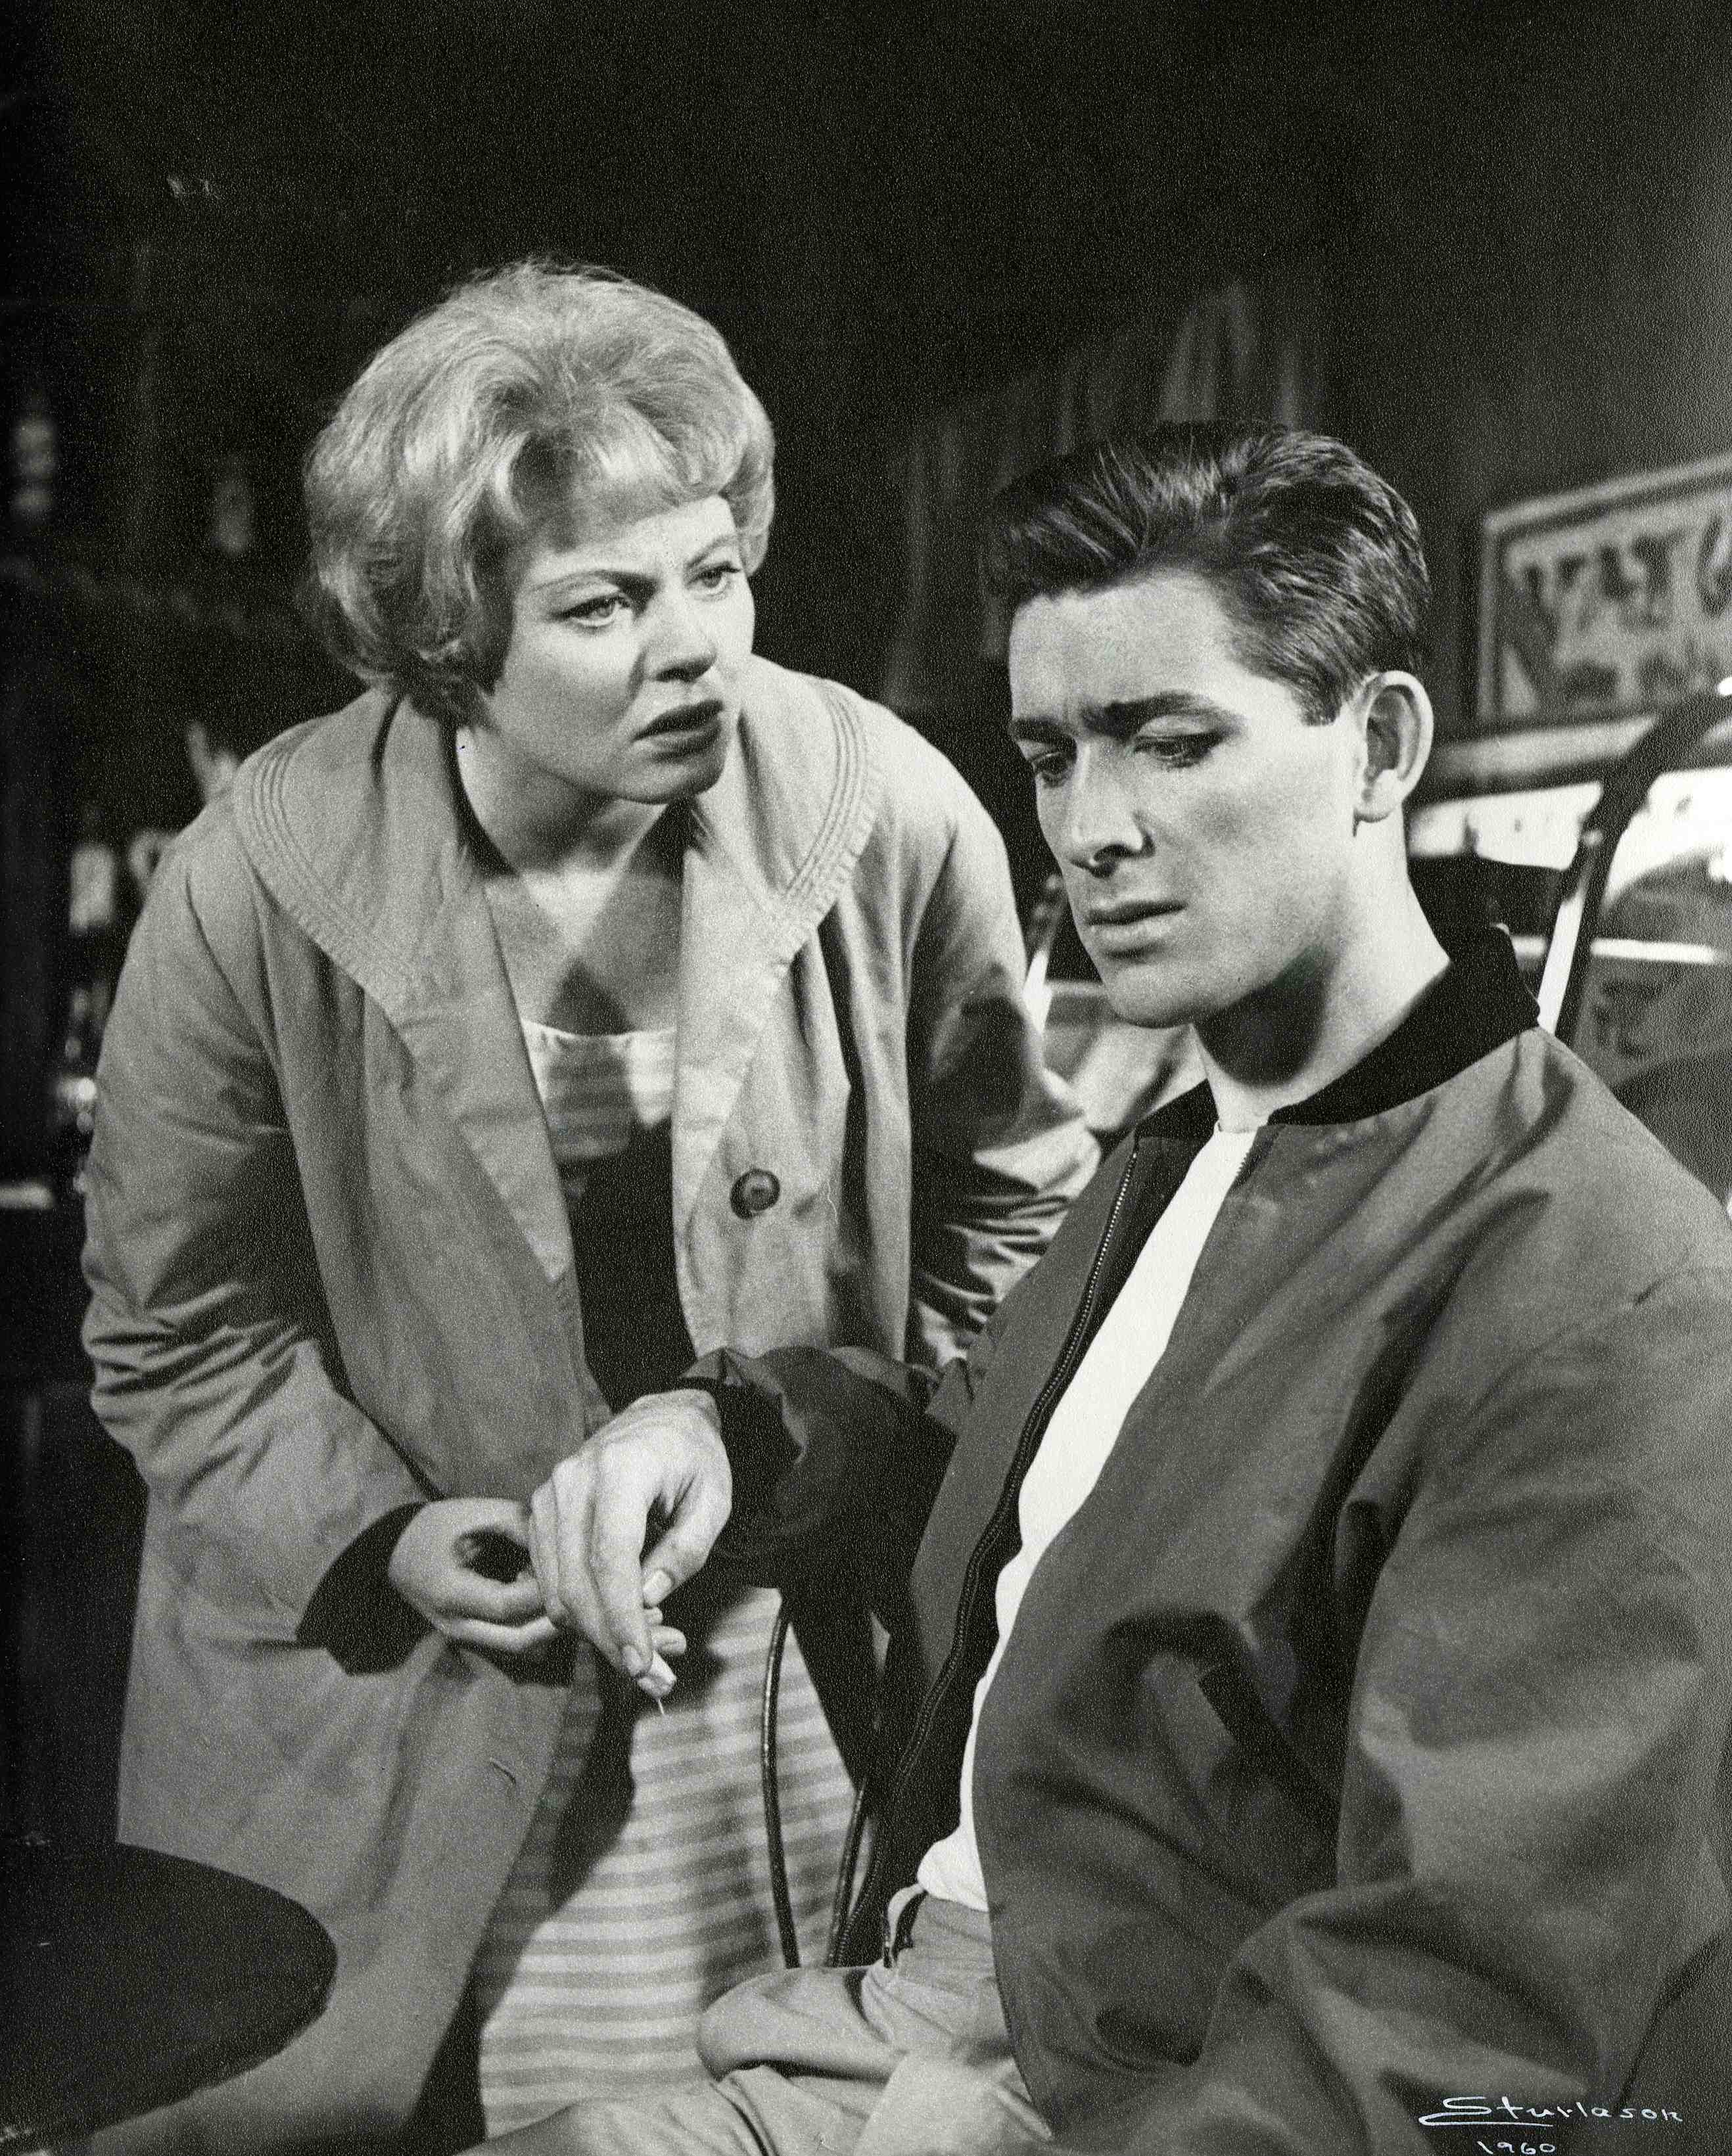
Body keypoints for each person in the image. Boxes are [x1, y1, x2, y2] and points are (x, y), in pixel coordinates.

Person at [484, 424, 1732, 2155]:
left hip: (1124, 2102)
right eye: (1050, 755)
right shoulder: (1194, 1140)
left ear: (1378, 747)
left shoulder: (1598, 1281)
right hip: (905, 2021)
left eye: (1171, 742)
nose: (1090, 829)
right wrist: (725, 1429)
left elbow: (1461, 2034)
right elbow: (1031, 1474)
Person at [79, 262, 1096, 2153]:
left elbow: (1027, 1239)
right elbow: (176, 1330)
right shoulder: (250, 879)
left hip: (769, 1681)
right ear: (449, 641)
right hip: (393, 1699)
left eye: (715, 572)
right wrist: (385, 1533)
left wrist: (804, 1432)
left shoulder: (881, 806)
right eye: (605, 605)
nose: (695, 646)